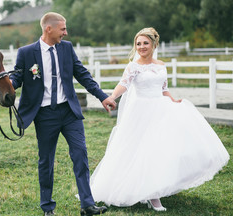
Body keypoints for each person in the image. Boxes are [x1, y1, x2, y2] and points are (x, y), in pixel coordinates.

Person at [90, 27, 230, 211]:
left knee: (161, 149)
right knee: (142, 150)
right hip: (141, 112)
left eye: (145, 43)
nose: (141, 47)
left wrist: (173, 100)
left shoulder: (161, 65)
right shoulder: (133, 66)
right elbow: (123, 84)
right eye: (138, 43)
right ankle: (151, 195)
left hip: (161, 109)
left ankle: (156, 188)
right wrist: (111, 97)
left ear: (154, 44)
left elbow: (163, 88)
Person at [9, 12, 116, 216]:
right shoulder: (26, 53)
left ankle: (87, 205)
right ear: (48, 29)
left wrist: (102, 96)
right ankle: (47, 207)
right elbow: (17, 78)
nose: (65, 33)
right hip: (44, 114)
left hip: (69, 111)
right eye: (63, 29)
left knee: (80, 154)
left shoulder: (66, 48)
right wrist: (6, 89)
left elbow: (82, 74)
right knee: (46, 161)